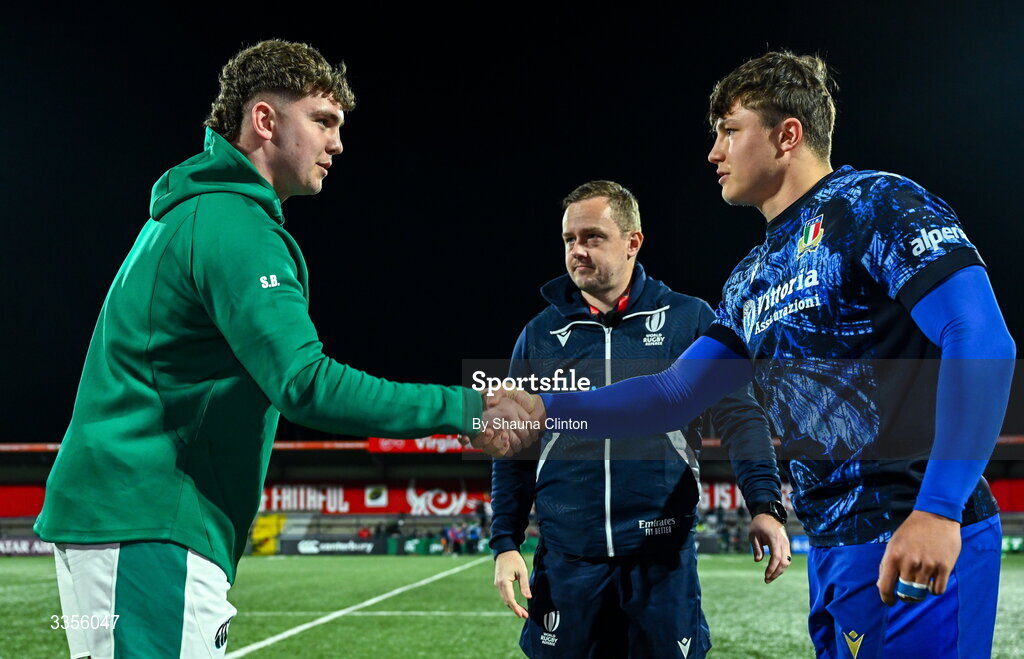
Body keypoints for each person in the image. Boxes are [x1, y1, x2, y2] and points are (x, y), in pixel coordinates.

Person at [483, 52, 1016, 658]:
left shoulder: (876, 204)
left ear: (788, 134)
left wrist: (941, 508)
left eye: (730, 131)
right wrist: (549, 410)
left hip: (916, 530)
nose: (714, 152)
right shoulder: (750, 280)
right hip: (835, 546)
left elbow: (980, 338)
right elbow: (671, 395)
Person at [33, 39, 527, 658]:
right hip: (147, 519)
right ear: (264, 120)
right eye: (322, 120)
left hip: (139, 522)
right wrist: (469, 410)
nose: (338, 142)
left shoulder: (198, 214)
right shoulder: (232, 224)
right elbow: (306, 384)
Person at [490, 181, 789, 658]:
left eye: (592, 237)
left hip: (662, 561)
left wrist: (763, 504)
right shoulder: (539, 335)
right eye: (569, 240)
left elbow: (741, 416)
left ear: (633, 242)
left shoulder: (690, 320)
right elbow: (512, 446)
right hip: (568, 562)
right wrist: (505, 542)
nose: (577, 251)